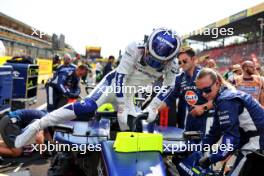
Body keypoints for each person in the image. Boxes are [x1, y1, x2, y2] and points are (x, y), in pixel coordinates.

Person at [15, 28, 181, 148]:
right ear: (147, 44)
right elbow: (120, 77)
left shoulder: (173, 64)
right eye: (150, 56)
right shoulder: (134, 47)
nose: (152, 63)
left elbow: (169, 85)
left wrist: (154, 107)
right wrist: (122, 106)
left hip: (130, 93)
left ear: (170, 59)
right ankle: (37, 124)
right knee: (88, 106)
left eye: (158, 61)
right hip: (113, 85)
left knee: (132, 129)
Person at [195, 68, 264, 175]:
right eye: (200, 91)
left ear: (217, 83)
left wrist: (210, 159)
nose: (204, 94)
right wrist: (197, 149)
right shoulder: (221, 98)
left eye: (207, 90)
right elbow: (215, 132)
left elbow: (231, 140)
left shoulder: (226, 100)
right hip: (251, 141)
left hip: (256, 143)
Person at [163, 47, 213, 135]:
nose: (181, 64)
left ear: (193, 59)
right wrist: (153, 109)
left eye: (185, 61)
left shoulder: (206, 75)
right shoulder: (179, 78)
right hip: (186, 124)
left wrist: (203, 107)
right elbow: (169, 98)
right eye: (179, 62)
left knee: (203, 147)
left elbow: (218, 98)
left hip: (206, 123)